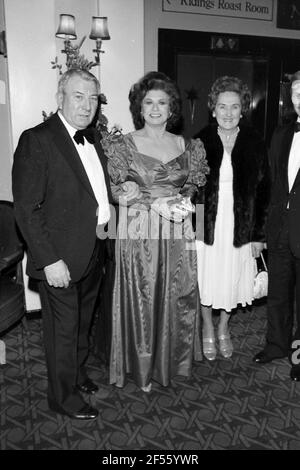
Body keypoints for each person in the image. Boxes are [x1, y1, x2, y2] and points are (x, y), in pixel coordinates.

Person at [12, 68, 114, 420]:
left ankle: (77, 373)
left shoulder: (95, 138)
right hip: (61, 258)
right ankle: (62, 397)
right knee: (63, 331)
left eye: (92, 98)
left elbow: (94, 192)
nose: (87, 106)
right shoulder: (37, 139)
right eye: (78, 96)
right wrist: (49, 260)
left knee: (83, 323)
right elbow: (26, 209)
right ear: (60, 98)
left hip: (94, 250)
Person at [101, 71, 209, 392]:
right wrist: (142, 197)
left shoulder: (188, 145)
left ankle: (173, 362)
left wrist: (183, 201)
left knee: (178, 295)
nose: (156, 108)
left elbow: (192, 187)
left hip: (178, 232)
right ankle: (143, 368)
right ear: (140, 106)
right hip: (140, 231)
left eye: (162, 102)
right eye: (149, 102)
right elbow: (114, 190)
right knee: (144, 296)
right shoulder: (124, 145)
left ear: (172, 108)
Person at [195, 76, 270, 361]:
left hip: (242, 225)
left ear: (242, 110)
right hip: (208, 225)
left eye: (234, 107)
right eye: (222, 107)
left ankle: (224, 327)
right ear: (213, 109)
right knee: (207, 276)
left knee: (232, 279)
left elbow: (265, 191)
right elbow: (190, 188)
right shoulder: (200, 140)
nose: (228, 113)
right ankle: (206, 327)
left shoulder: (254, 141)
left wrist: (258, 235)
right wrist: (194, 227)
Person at [253, 70, 300, 381]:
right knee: (278, 293)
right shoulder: (282, 134)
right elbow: (270, 185)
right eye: (297, 93)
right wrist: (263, 229)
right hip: (280, 229)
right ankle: (276, 345)